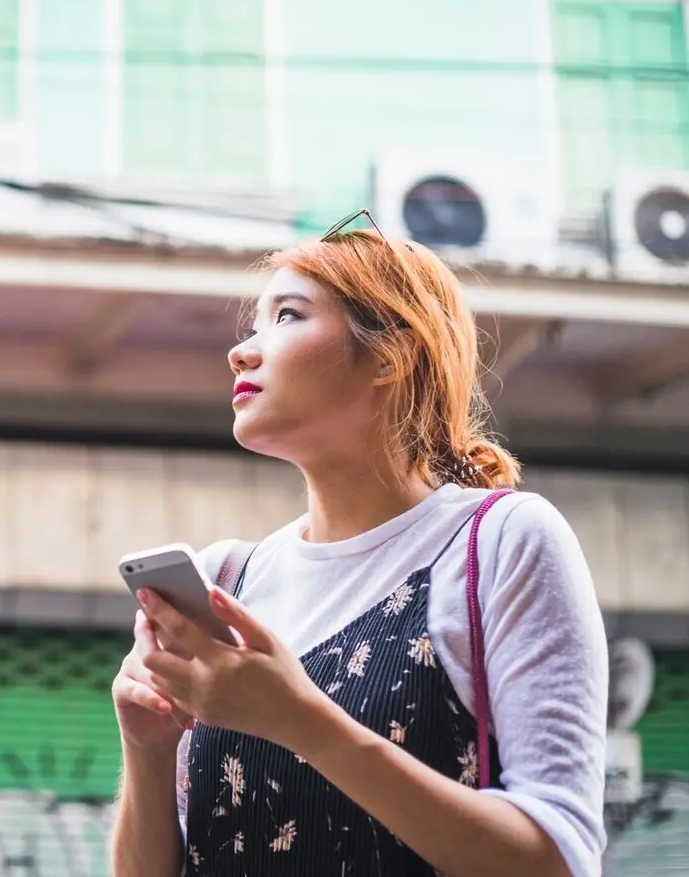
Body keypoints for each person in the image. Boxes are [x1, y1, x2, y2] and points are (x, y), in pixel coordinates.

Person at [109, 211, 608, 877]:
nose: (243, 350)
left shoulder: (500, 543)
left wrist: (302, 720)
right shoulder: (227, 579)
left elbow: (559, 860)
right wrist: (146, 748)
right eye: (253, 324)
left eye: (287, 316)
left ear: (390, 355)